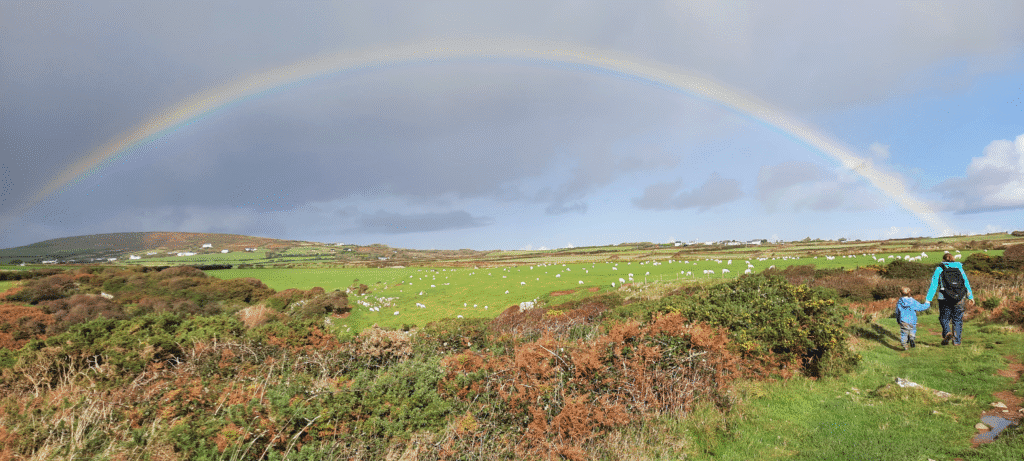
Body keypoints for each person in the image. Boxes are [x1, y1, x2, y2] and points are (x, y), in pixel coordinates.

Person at [925, 252, 974, 346]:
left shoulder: (939, 268)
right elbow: (966, 282)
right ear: (953, 259)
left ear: (943, 260)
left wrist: (928, 299)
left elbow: (934, 284)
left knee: (944, 317)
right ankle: (956, 342)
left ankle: (947, 332)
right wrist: (970, 296)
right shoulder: (959, 267)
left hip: (944, 297)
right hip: (959, 297)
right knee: (958, 319)